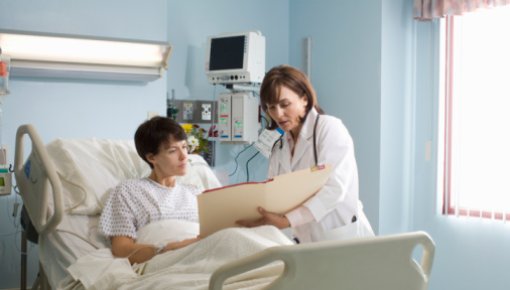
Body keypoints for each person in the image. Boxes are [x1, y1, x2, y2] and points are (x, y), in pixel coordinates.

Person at [237, 65, 374, 243]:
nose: (278, 114)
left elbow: (335, 188)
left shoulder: (329, 129)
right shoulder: (279, 146)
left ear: (304, 99)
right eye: (271, 107)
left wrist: (287, 220)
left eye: (285, 104)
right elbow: (274, 194)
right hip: (305, 241)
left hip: (341, 237)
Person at [99, 116, 201, 264]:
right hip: (166, 261)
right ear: (152, 157)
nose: (184, 156)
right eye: (173, 151)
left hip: (205, 253)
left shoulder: (194, 192)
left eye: (184, 147)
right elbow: (121, 249)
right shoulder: (129, 191)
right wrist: (167, 250)